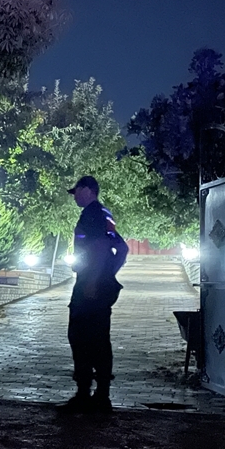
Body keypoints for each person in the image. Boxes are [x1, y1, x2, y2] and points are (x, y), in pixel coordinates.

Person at [62, 175, 129, 413]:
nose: (75, 197)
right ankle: (100, 395)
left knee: (81, 337)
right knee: (99, 338)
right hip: (100, 283)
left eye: (77, 192)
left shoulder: (91, 215)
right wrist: (109, 273)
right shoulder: (104, 214)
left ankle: (85, 394)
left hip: (90, 286)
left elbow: (101, 248)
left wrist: (93, 279)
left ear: (88, 190)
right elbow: (122, 247)